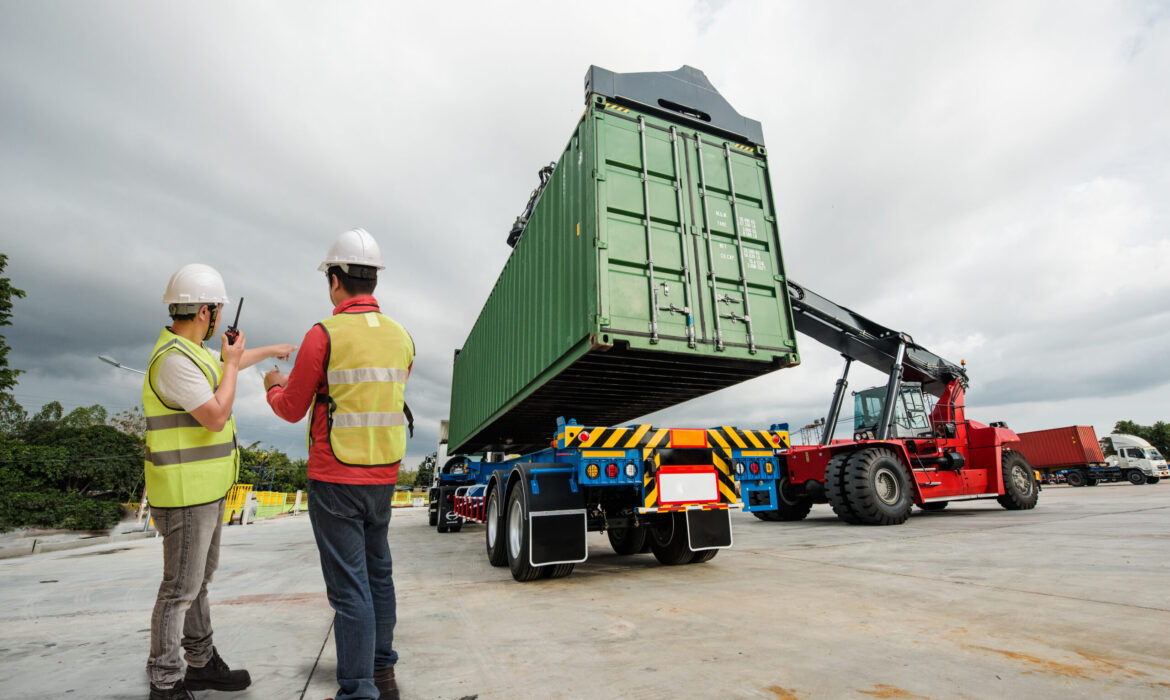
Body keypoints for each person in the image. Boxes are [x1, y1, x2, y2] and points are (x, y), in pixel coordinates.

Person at [264, 229, 414, 700]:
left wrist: (272, 383)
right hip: (383, 474)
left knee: (350, 588)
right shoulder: (401, 336)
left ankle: (357, 690)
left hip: (335, 477)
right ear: (373, 281)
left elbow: (292, 407)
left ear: (335, 280)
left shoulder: (323, 334)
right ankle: (381, 671)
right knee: (378, 575)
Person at [143, 263, 297, 700]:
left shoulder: (192, 353)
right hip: (184, 495)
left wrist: (267, 351)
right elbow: (215, 415)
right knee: (179, 590)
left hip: (205, 492)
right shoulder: (173, 360)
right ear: (206, 311)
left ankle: (201, 662)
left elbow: (231, 362)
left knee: (198, 583)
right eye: (216, 310)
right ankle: (166, 682)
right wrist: (231, 363)